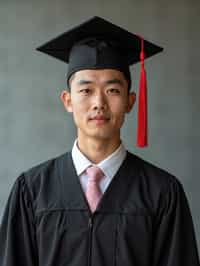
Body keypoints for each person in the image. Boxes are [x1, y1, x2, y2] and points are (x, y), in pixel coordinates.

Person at [0, 16, 199, 266]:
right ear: (67, 101)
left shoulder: (163, 193)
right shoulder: (31, 190)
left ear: (130, 101)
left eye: (112, 90)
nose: (99, 103)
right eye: (86, 90)